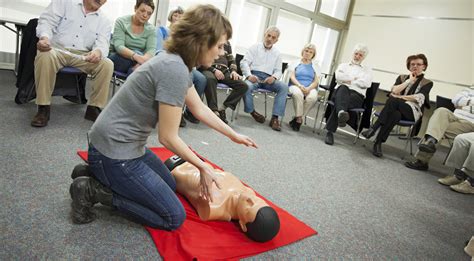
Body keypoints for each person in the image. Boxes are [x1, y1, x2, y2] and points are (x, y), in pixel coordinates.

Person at [69, 5, 257, 230]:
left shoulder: (176, 61)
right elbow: (168, 138)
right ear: (201, 40)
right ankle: (93, 190)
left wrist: (233, 135)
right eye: (218, 46)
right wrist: (202, 167)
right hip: (113, 153)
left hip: (121, 147)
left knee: (169, 183)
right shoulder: (174, 68)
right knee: (172, 217)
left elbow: (199, 108)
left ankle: (95, 172)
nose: (220, 52)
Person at [32, 0, 114, 127]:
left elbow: (103, 43)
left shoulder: (105, 20)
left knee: (107, 64)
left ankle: (94, 108)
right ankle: (43, 108)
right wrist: (44, 38)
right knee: (45, 55)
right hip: (57, 49)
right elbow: (47, 21)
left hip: (83, 55)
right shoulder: (65, 2)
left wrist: (97, 52)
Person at [164, 155, 280, 242]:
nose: (250, 199)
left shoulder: (214, 207)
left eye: (249, 207)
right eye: (258, 200)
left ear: (243, 224)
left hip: (173, 167)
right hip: (196, 159)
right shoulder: (246, 191)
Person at [362, 54, 433, 157]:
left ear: (424, 66)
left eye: (418, 64)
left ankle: (374, 128)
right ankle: (378, 143)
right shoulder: (402, 77)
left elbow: (419, 97)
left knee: (393, 100)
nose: (415, 66)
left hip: (412, 111)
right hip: (397, 109)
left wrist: (399, 97)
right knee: (395, 114)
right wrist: (409, 81)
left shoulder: (427, 83)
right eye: (412, 64)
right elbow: (394, 90)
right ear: (408, 66)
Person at [405, 88, 474, 170]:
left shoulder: (468, 94)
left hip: (469, 122)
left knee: (436, 128)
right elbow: (456, 100)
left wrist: (465, 103)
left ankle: (422, 160)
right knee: (441, 111)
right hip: (454, 116)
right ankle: (431, 141)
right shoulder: (469, 89)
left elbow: (460, 102)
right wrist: (470, 104)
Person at [241, 26, 289, 131]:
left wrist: (274, 77)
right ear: (264, 35)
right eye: (268, 35)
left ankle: (275, 118)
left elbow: (278, 70)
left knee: (284, 87)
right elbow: (244, 62)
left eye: (273, 37)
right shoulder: (254, 47)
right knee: (245, 86)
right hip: (254, 76)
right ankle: (252, 112)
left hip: (269, 80)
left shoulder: (277, 53)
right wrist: (249, 75)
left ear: (276, 40)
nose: (270, 39)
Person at [324, 44, 373, 145]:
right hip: (340, 91)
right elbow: (338, 77)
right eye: (356, 53)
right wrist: (354, 79)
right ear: (353, 54)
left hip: (356, 96)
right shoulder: (343, 65)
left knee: (340, 102)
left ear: (363, 57)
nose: (357, 56)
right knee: (342, 89)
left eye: (360, 55)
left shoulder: (367, 70)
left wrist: (348, 80)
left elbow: (367, 83)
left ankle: (331, 130)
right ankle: (341, 113)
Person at [199, 41, 248, 123]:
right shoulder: (207, 38)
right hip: (208, 68)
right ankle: (213, 111)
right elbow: (201, 59)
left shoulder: (227, 43)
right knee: (210, 79)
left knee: (243, 86)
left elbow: (232, 60)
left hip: (224, 71)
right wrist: (214, 70)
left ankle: (222, 108)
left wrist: (233, 71)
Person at [109, 0, 156, 75]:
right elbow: (119, 46)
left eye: (149, 14)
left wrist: (142, 61)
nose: (145, 15)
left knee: (140, 68)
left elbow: (151, 50)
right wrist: (137, 57)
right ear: (135, 8)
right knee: (143, 67)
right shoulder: (121, 21)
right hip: (117, 57)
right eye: (142, 11)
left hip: (138, 62)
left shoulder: (151, 29)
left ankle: (136, 70)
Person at [287, 44, 320, 131]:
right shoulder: (295, 63)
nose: (308, 53)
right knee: (298, 94)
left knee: (312, 97)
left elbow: (316, 81)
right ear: (303, 51)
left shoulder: (315, 65)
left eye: (310, 52)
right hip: (295, 85)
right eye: (306, 51)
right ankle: (299, 119)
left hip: (310, 87)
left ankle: (297, 117)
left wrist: (309, 88)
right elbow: (292, 77)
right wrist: (299, 85)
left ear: (313, 54)